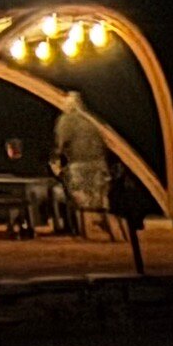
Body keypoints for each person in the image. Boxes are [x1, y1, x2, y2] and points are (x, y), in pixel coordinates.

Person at [53, 91, 115, 239]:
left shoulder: (66, 120)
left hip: (79, 165)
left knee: (73, 195)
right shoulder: (91, 120)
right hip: (100, 165)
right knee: (99, 197)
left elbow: (60, 144)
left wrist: (55, 161)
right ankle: (104, 227)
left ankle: (80, 228)